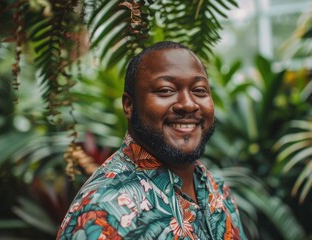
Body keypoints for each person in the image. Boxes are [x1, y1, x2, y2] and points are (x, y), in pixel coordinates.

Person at [56, 41, 247, 240]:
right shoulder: (104, 213)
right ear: (129, 105)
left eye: (199, 90)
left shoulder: (215, 187)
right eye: (166, 90)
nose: (188, 104)